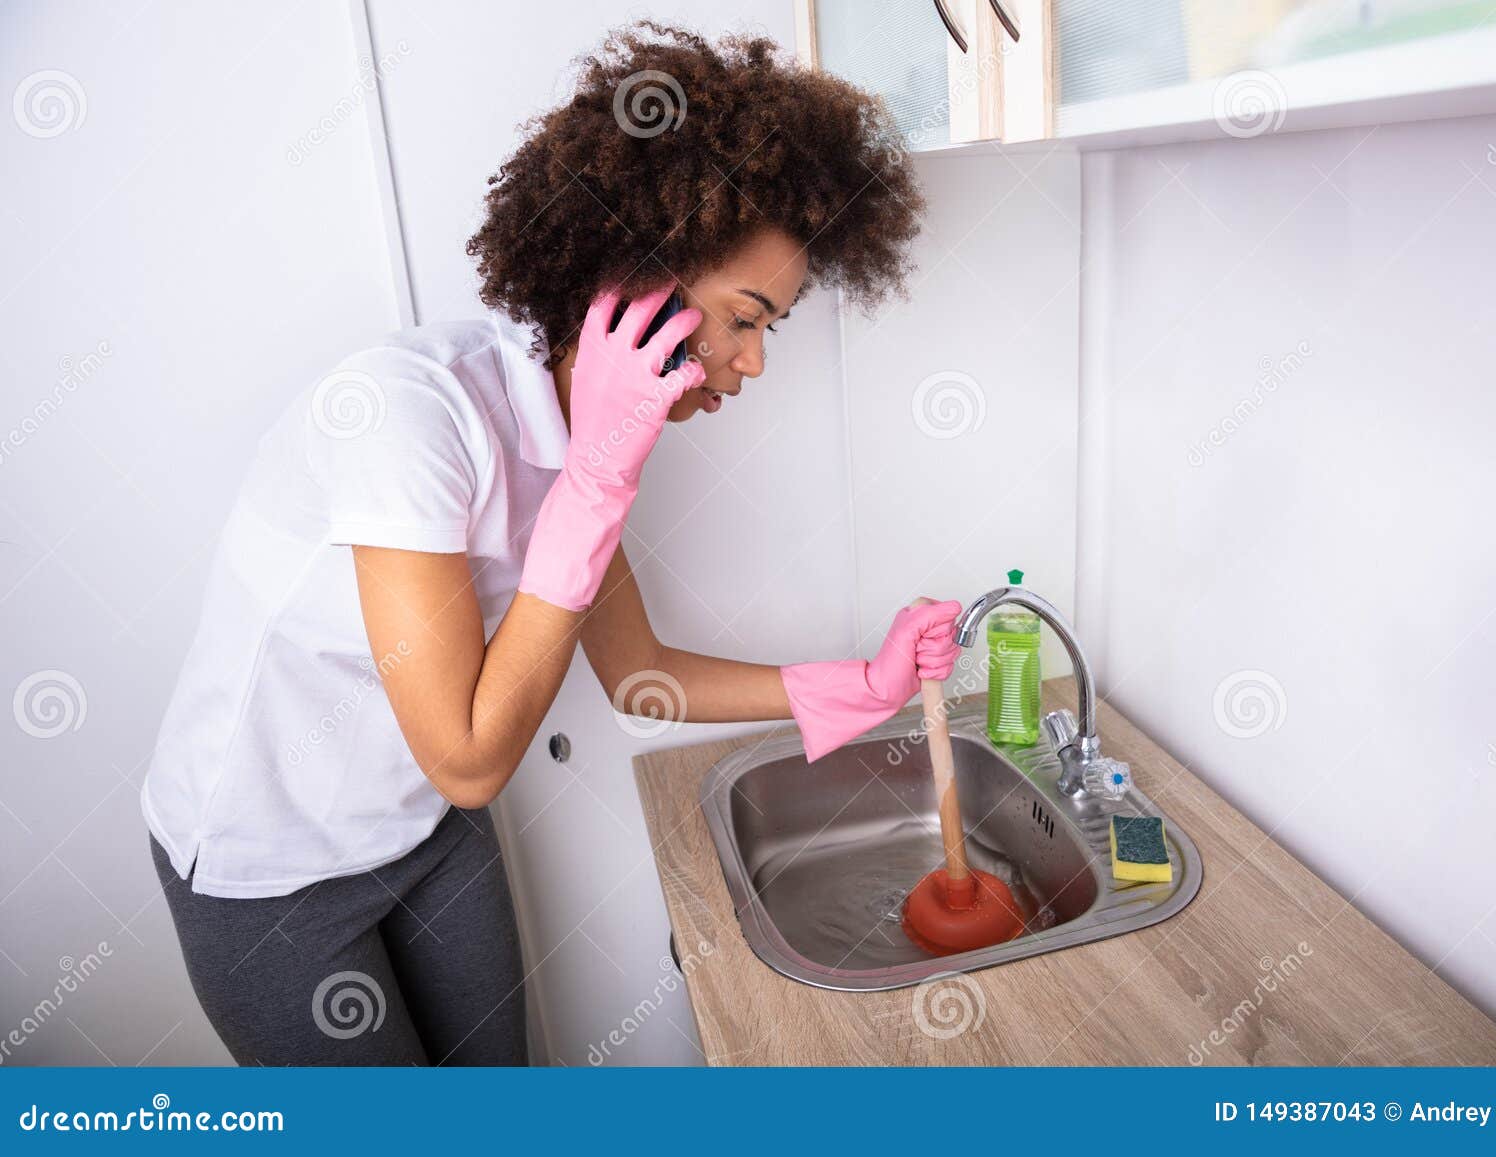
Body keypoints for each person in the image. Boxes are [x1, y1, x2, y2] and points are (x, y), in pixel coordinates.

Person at [142, 19, 959, 1066]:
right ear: (638, 278)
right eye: (745, 318)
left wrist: (866, 682)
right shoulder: (411, 418)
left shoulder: (583, 447)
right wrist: (595, 480)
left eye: (770, 329)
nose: (751, 364)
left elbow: (641, 673)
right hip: (269, 866)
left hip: (422, 828)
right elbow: (472, 755)